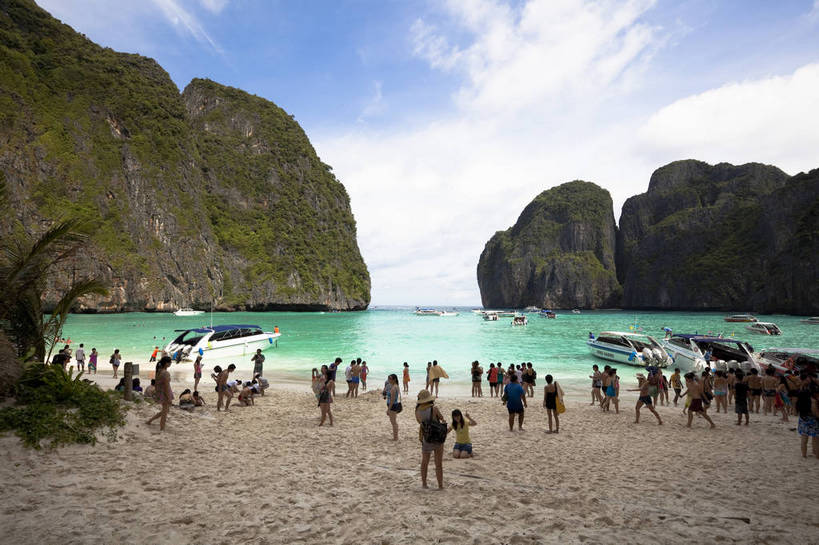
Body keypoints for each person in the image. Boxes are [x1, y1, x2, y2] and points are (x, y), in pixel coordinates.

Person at [415, 390, 445, 489]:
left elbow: (420, 422)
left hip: (426, 437)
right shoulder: (434, 409)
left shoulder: (417, 411)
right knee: (438, 464)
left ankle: (424, 484)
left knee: (425, 462)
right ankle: (440, 485)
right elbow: (441, 418)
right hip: (437, 437)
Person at [146, 356, 173, 430]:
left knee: (166, 410)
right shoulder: (165, 373)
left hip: (160, 392)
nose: (171, 363)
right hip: (164, 393)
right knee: (165, 412)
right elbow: (166, 386)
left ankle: (150, 421)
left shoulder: (159, 371)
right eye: (170, 362)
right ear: (166, 364)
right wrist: (169, 397)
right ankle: (162, 428)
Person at [796, 376, 819, 459]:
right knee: (816, 439)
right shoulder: (813, 400)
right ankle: (817, 456)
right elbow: (815, 412)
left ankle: (804, 455)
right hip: (813, 420)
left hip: (803, 418)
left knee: (804, 438)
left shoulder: (802, 396)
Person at [386, 373, 401, 441]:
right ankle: (395, 437)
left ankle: (395, 437)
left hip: (392, 406)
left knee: (393, 422)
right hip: (394, 405)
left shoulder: (394, 388)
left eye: (390, 379)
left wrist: (388, 409)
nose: (389, 380)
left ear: (394, 379)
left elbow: (392, 400)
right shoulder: (395, 386)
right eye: (388, 378)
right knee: (394, 421)